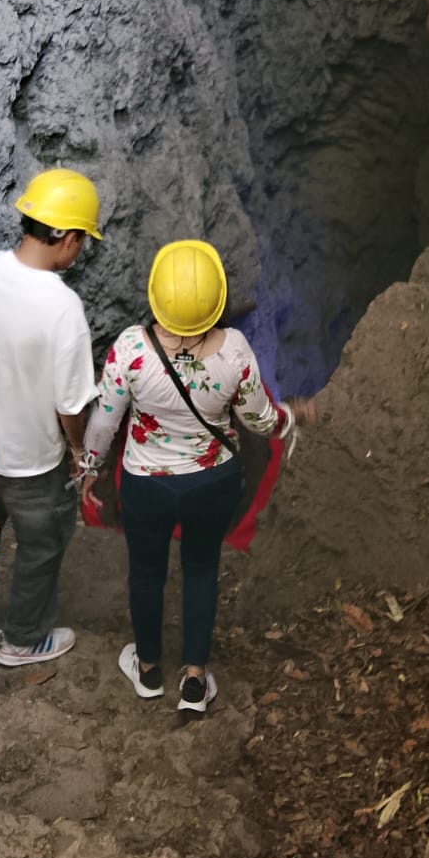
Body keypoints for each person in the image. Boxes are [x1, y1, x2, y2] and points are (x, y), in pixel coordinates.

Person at [80, 240, 293, 719]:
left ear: (156, 297)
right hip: (211, 483)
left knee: (146, 573)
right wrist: (283, 420)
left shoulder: (131, 348)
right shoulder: (235, 352)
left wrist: (90, 470)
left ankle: (150, 669)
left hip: (145, 484)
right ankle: (194, 678)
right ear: (216, 301)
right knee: (200, 570)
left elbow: (103, 424)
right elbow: (259, 422)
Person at [0, 168, 101, 667]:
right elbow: (71, 405)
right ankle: (25, 639)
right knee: (41, 546)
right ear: (69, 240)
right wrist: (77, 451)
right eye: (82, 243)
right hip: (31, 464)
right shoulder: (63, 308)